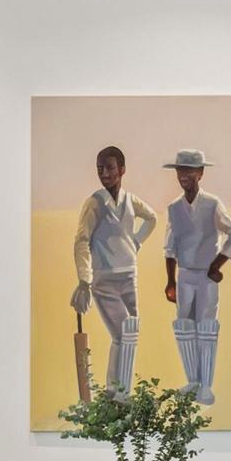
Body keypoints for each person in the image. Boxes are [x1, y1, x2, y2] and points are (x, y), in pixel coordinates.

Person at [70, 145, 158, 391]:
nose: (105, 174)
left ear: (122, 169)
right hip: (104, 281)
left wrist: (136, 242)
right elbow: (81, 241)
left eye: (109, 168)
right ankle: (115, 393)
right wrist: (85, 280)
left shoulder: (130, 200)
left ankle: (121, 393)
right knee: (122, 335)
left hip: (129, 276)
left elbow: (152, 218)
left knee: (131, 335)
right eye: (100, 169)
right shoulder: (95, 203)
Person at [161, 149, 231, 406]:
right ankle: (193, 381)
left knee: (206, 329)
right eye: (180, 170)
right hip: (185, 275)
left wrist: (217, 265)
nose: (183, 175)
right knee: (185, 328)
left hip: (206, 278)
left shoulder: (212, 204)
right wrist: (171, 281)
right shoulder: (174, 208)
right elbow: (169, 247)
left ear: (200, 173)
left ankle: (206, 386)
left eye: (189, 170)